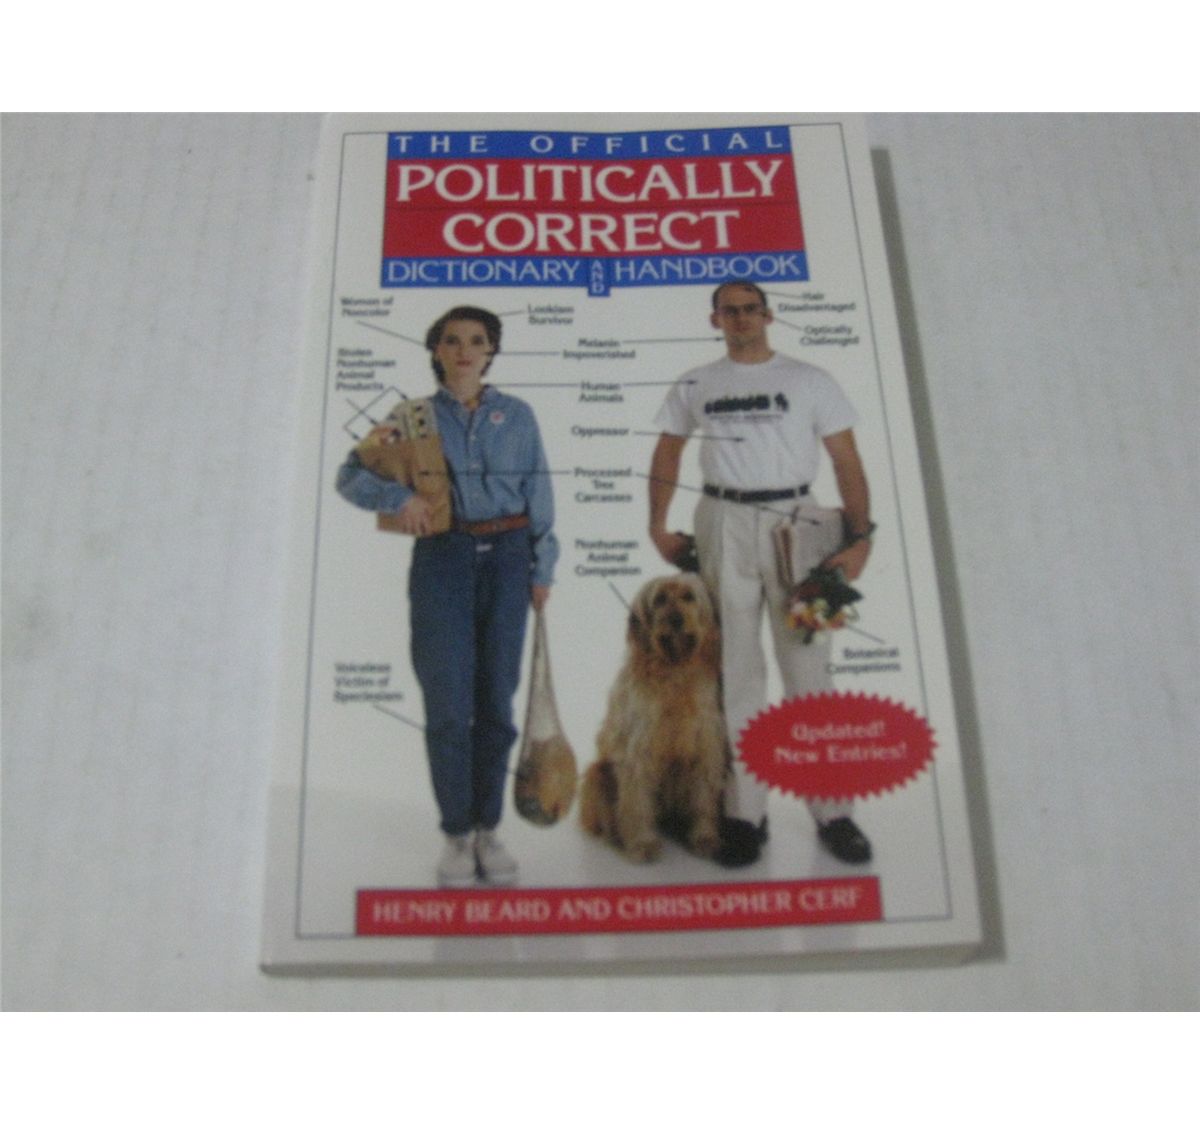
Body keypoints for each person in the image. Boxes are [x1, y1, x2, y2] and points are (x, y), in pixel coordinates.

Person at [648, 282, 874, 866]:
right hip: (722, 518)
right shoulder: (697, 381)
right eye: (731, 311)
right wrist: (658, 525)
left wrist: (859, 539)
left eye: (752, 309)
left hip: (796, 521)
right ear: (715, 320)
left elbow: (846, 460)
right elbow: (668, 451)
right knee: (735, 670)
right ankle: (744, 813)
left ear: (769, 315)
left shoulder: (809, 379)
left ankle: (834, 812)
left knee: (808, 668)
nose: (742, 318)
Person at [336, 306, 558, 887]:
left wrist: (543, 567)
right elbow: (350, 477)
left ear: (491, 351)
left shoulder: (518, 416)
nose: (465, 350)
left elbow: (540, 490)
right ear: (436, 350)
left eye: (477, 341)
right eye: (452, 341)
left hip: (509, 557)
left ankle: (489, 828)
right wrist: (398, 499)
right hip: (443, 560)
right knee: (448, 703)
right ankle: (457, 832)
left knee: (497, 701)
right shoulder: (410, 418)